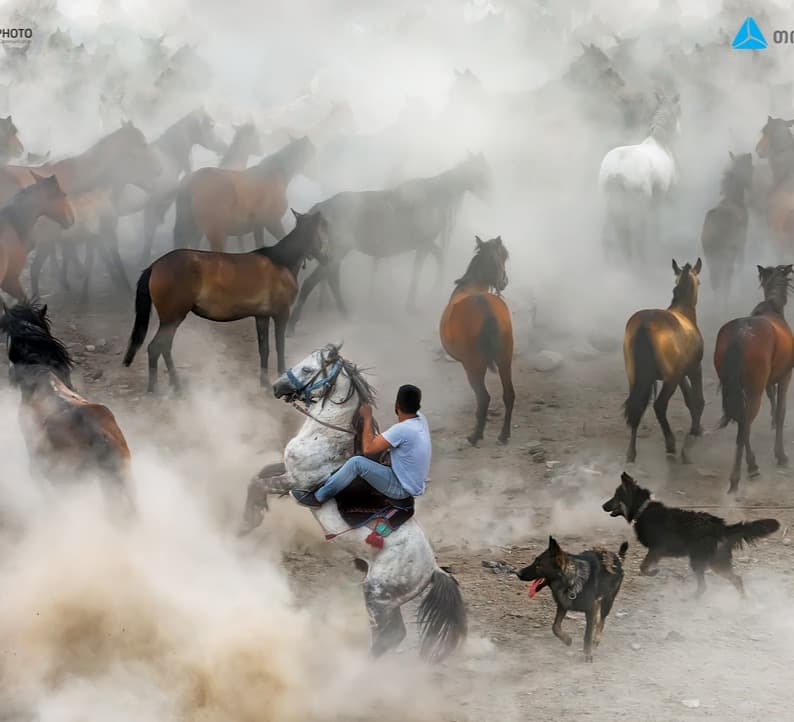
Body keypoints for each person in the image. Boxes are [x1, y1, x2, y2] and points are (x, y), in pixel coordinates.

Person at [291, 384, 431, 507]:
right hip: (414, 482)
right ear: (418, 406)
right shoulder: (420, 420)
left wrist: (367, 417)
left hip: (401, 488)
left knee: (356, 462)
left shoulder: (402, 430)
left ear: (397, 406)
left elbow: (368, 450)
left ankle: (317, 498)